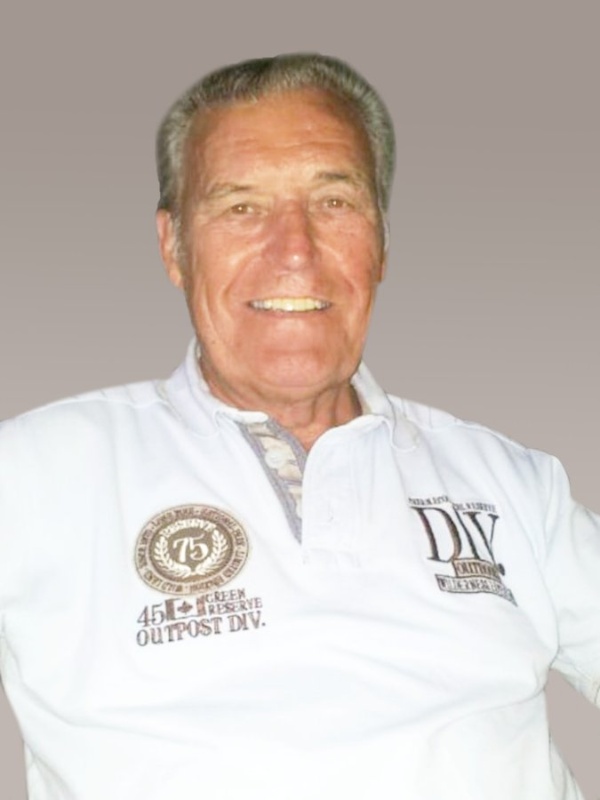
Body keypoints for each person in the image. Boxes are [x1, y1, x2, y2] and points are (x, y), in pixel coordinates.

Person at [0, 53, 598, 800]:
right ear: (173, 247)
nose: (294, 250)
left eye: (334, 202)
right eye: (241, 207)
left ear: (382, 243)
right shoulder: (33, 475)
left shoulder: (514, 486)